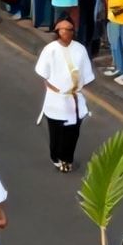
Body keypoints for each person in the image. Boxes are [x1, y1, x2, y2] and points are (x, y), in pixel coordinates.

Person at [35, 19, 92, 173]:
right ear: (57, 31)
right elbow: (43, 73)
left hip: (74, 100)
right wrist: (54, 88)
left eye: (70, 29)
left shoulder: (80, 49)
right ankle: (56, 157)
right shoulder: (50, 49)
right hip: (56, 100)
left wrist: (74, 89)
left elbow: (86, 75)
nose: (66, 32)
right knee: (56, 132)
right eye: (63, 29)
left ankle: (67, 159)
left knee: (73, 132)